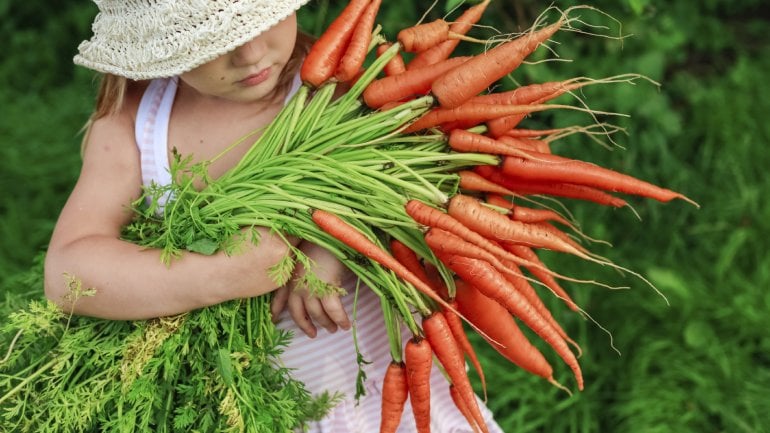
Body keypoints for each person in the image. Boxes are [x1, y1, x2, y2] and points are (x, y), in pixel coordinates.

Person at [44, 0, 505, 431]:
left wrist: (336, 242)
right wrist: (223, 274)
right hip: (257, 411)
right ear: (155, 47)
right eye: (213, 41)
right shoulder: (135, 123)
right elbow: (68, 272)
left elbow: (417, 190)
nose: (249, 53)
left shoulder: (341, 89)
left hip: (394, 399)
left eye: (259, 16)